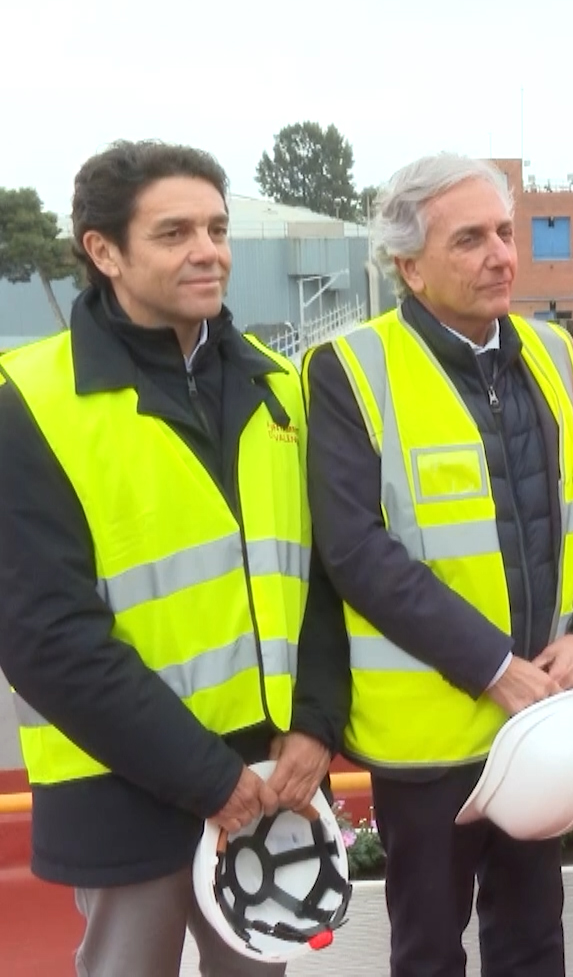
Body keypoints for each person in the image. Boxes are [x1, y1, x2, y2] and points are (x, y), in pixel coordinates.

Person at [0, 141, 344, 976]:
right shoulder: (30, 404)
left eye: (217, 229)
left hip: (270, 772)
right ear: (104, 251)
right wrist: (208, 779)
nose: (208, 251)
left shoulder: (279, 388)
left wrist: (315, 725)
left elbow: (322, 579)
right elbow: (45, 637)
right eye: (174, 232)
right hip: (124, 783)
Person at [303, 154, 573, 977]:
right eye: (470, 239)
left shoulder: (553, 351)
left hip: (545, 714)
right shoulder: (351, 370)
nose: (501, 256)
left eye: (505, 234)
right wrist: (493, 667)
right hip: (433, 736)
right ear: (409, 266)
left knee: (534, 938)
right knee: (429, 949)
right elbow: (354, 550)